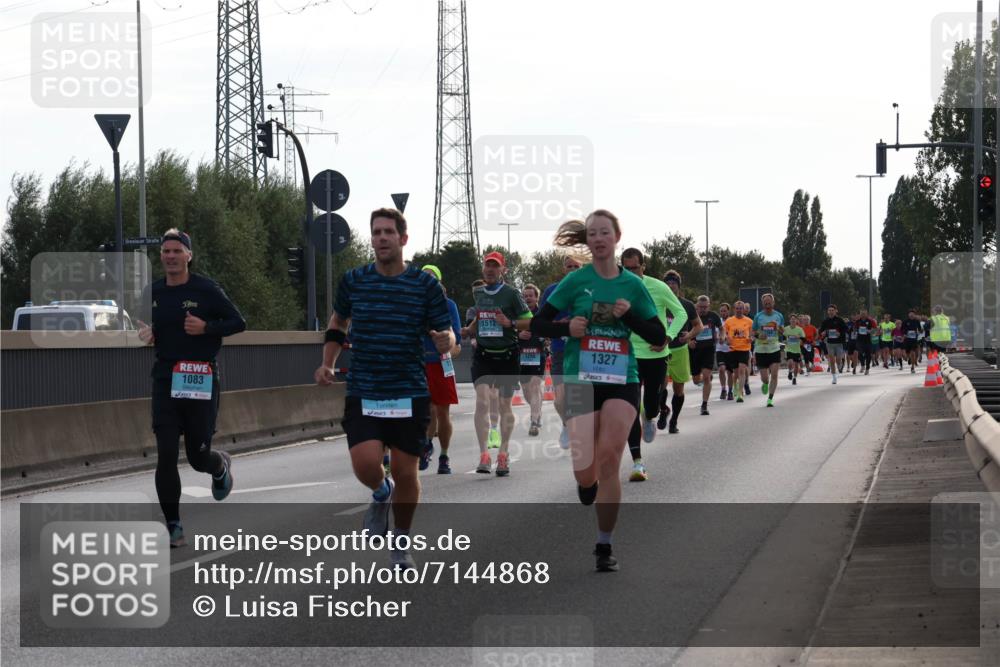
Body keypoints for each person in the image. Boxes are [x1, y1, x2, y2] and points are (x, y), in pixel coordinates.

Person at [315, 208, 455, 570]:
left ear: (403, 239)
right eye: (376, 232)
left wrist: (447, 340)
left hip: (408, 390)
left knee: (407, 472)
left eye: (388, 232)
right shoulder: (355, 280)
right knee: (365, 464)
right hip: (365, 387)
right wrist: (328, 362)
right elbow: (338, 321)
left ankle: (401, 542)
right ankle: (380, 492)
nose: (381, 238)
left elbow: (448, 334)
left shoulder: (424, 286)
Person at [531, 211, 666, 572]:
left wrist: (629, 319)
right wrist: (566, 329)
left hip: (623, 378)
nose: (599, 238)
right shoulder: (576, 281)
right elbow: (539, 323)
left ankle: (604, 545)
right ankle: (586, 484)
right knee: (584, 468)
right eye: (593, 233)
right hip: (579, 378)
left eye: (605, 232)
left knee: (610, 459)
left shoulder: (633, 286)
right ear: (588, 241)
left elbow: (657, 336)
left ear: (617, 236)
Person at [137, 229, 246, 548]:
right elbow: (143, 325)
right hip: (166, 379)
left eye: (176, 251)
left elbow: (239, 323)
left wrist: (207, 328)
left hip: (200, 378)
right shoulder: (152, 292)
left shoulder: (206, 289)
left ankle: (219, 464)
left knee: (198, 457)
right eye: (165, 251)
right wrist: (146, 334)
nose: (170, 256)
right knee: (167, 454)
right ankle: (173, 526)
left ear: (188, 255)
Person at [461, 251, 532, 476]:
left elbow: (529, 321)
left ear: (503, 270)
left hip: (507, 356)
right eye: (487, 265)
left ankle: (503, 453)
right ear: (483, 269)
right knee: (482, 403)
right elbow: (481, 316)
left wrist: (509, 322)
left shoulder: (512, 294)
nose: (490, 269)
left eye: (495, 266)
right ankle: (484, 455)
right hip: (484, 355)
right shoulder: (479, 292)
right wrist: (469, 330)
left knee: (504, 406)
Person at [621, 248, 686, 482]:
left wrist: (667, 337)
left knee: (650, 406)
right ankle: (638, 463)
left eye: (635, 268)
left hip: (656, 355)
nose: (631, 273)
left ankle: (649, 417)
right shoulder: (616, 287)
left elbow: (680, 313)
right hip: (628, 356)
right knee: (629, 408)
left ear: (643, 267)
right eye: (626, 269)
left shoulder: (658, 287)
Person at [420, 265, 463, 474]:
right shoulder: (414, 305)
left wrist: (446, 347)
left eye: (431, 278)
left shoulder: (449, 305)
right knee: (425, 410)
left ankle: (444, 455)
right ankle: (427, 443)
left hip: (441, 364)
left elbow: (458, 346)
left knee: (442, 411)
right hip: (418, 364)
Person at [539, 253, 585, 448]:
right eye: (569, 267)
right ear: (563, 270)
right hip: (560, 349)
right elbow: (541, 321)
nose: (573, 270)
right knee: (560, 398)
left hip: (584, 349)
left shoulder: (589, 290)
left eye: (576, 267)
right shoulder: (552, 291)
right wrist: (558, 326)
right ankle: (566, 425)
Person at [659, 270, 703, 434]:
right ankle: (663, 410)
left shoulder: (686, 305)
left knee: (678, 389)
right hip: (661, 350)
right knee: (660, 385)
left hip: (679, 350)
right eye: (668, 283)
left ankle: (674, 421)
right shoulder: (657, 302)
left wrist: (690, 335)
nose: (670, 286)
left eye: (674, 283)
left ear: (678, 286)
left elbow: (699, 326)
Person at [518, 284, 547, 437]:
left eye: (530, 295)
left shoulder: (542, 313)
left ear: (536, 297)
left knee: (535, 387)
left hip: (538, 354)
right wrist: (518, 335)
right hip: (521, 355)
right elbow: (508, 330)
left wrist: (546, 337)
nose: (528, 298)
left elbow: (549, 328)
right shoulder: (517, 313)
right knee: (527, 392)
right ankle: (537, 410)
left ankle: (534, 421)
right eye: (525, 295)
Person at [691, 295, 723, 415]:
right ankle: (703, 379)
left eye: (705, 307)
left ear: (709, 306)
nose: (703, 309)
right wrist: (689, 341)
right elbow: (684, 332)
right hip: (695, 351)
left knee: (706, 376)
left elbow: (721, 328)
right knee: (695, 380)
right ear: (696, 306)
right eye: (700, 307)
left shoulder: (713, 316)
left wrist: (722, 336)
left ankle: (704, 405)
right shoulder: (692, 316)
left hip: (708, 350)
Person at [723, 301, 753, 403]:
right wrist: (726, 338)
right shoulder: (729, 321)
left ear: (743, 309)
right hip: (733, 349)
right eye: (737, 308)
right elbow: (724, 333)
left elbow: (752, 334)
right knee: (735, 373)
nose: (739, 310)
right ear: (734, 309)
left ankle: (740, 393)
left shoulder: (749, 321)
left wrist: (751, 338)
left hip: (744, 349)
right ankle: (735, 387)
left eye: (741, 308)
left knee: (741, 370)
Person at [818, 304, 847, 384]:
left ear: (835, 311)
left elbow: (846, 329)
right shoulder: (825, 321)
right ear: (827, 312)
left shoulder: (840, 320)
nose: (830, 312)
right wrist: (822, 333)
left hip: (839, 343)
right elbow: (821, 331)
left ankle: (840, 364)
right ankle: (834, 377)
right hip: (830, 343)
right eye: (829, 310)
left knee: (838, 360)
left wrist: (840, 333)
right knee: (832, 360)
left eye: (832, 310)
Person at [715, 302, 732, 399]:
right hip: (720, 349)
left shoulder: (732, 321)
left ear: (728, 311)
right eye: (721, 311)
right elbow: (714, 334)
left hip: (730, 350)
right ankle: (723, 389)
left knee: (730, 372)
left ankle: (730, 391)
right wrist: (718, 338)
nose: (723, 313)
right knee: (721, 370)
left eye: (725, 311)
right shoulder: (718, 322)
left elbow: (733, 335)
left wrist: (725, 339)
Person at [783, 315, 805, 385]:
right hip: (788, 349)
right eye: (791, 319)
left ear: (796, 321)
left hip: (797, 349)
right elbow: (783, 337)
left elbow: (803, 338)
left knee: (796, 365)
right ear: (789, 321)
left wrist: (800, 338)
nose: (793, 320)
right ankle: (790, 371)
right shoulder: (786, 329)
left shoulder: (799, 329)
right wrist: (784, 341)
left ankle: (794, 378)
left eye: (794, 319)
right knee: (790, 362)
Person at [854, 309, 877, 375]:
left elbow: (875, 329)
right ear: (860, 314)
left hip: (867, 340)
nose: (863, 315)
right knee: (859, 352)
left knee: (868, 355)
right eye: (861, 313)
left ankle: (867, 368)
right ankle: (862, 365)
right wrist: (855, 331)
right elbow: (855, 328)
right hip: (859, 339)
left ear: (867, 314)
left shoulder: (870, 321)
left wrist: (870, 331)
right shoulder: (858, 321)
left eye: (864, 313)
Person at [902, 309, 923, 374]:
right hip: (907, 340)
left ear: (914, 315)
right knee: (908, 353)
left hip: (914, 339)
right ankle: (909, 359)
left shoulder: (917, 321)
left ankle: (912, 367)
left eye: (913, 314)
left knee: (913, 353)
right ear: (908, 315)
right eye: (910, 314)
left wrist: (920, 331)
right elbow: (902, 329)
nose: (911, 315)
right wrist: (904, 333)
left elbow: (920, 329)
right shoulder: (905, 321)